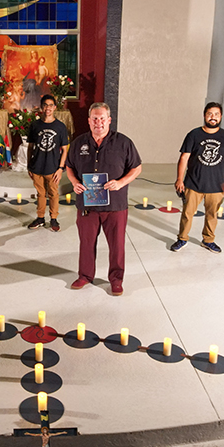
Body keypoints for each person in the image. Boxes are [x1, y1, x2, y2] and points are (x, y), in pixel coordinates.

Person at [65, 103, 142, 296]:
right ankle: (85, 275)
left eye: (102, 118)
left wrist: (121, 183)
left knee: (117, 245)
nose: (98, 122)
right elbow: (69, 167)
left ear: (109, 120)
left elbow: (136, 168)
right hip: (87, 205)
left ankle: (116, 280)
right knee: (86, 243)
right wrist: (74, 182)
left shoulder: (124, 143)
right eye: (94, 119)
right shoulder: (78, 143)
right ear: (89, 121)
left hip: (115, 205)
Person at [171, 102, 224, 253]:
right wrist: (179, 179)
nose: (213, 117)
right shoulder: (194, 134)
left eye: (216, 114)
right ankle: (182, 239)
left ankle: (208, 240)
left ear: (221, 117)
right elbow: (184, 158)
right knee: (187, 214)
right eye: (210, 114)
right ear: (204, 115)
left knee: (212, 215)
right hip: (193, 183)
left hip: (216, 185)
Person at [27, 94, 69, 232]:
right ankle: (40, 218)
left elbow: (65, 149)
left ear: (55, 107)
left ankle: (53, 218)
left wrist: (60, 168)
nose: (48, 108)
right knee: (40, 194)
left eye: (51, 105)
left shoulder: (60, 127)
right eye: (45, 105)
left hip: (53, 167)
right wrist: (29, 165)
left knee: (53, 194)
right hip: (37, 166)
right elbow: (30, 147)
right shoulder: (35, 125)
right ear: (41, 107)